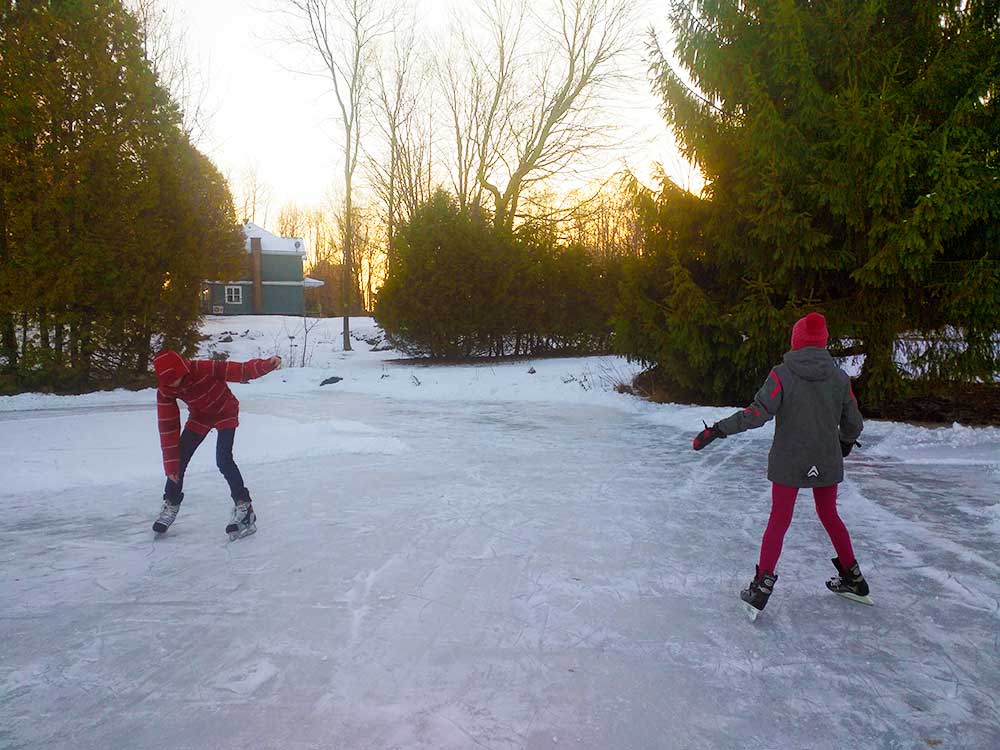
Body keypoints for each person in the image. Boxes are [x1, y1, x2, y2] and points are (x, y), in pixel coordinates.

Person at [691, 312, 868, 618]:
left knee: (779, 520)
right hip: (826, 460)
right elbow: (853, 421)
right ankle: (854, 577)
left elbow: (757, 413)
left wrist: (718, 429)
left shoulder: (782, 374)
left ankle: (762, 587)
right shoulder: (839, 377)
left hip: (789, 460)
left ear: (796, 341)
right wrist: (845, 443)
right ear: (823, 342)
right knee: (829, 515)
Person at [151, 350, 281, 539]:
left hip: (225, 411)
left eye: (175, 378)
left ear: (183, 369)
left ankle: (244, 507)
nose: (173, 383)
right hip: (200, 416)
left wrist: (266, 364)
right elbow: (168, 426)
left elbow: (240, 370)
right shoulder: (165, 391)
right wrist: (170, 465)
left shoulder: (202, 368)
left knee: (223, 460)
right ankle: (171, 503)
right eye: (168, 380)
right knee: (178, 460)